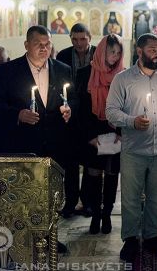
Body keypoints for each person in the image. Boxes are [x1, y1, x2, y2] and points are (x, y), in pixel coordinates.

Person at [0, 25, 75, 253]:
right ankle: (22, 238)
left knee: (51, 193)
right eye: (38, 43)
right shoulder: (8, 71)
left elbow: (74, 99)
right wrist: (18, 114)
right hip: (23, 144)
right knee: (24, 193)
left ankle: (49, 237)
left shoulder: (63, 69)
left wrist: (70, 111)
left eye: (47, 43)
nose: (44, 48)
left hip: (55, 144)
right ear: (26, 45)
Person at [106, 33, 157, 263]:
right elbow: (110, 111)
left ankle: (151, 236)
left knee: (156, 197)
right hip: (133, 150)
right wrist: (132, 121)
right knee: (130, 198)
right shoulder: (123, 79)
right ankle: (130, 239)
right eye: (152, 49)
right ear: (139, 52)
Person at [76, 34, 124, 235]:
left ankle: (107, 214)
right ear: (102, 51)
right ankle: (95, 214)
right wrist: (90, 137)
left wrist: (121, 133)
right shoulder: (85, 73)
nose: (115, 56)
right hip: (93, 132)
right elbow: (80, 108)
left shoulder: (123, 75)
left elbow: (128, 106)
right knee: (94, 175)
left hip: (115, 133)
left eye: (118, 53)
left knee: (112, 175)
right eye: (111, 51)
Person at [56, 23, 97, 218]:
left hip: (91, 115)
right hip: (70, 114)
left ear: (90, 38)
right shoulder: (63, 55)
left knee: (91, 161)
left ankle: (88, 202)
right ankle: (70, 202)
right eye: (75, 39)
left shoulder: (98, 54)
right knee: (70, 162)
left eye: (83, 39)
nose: (79, 43)